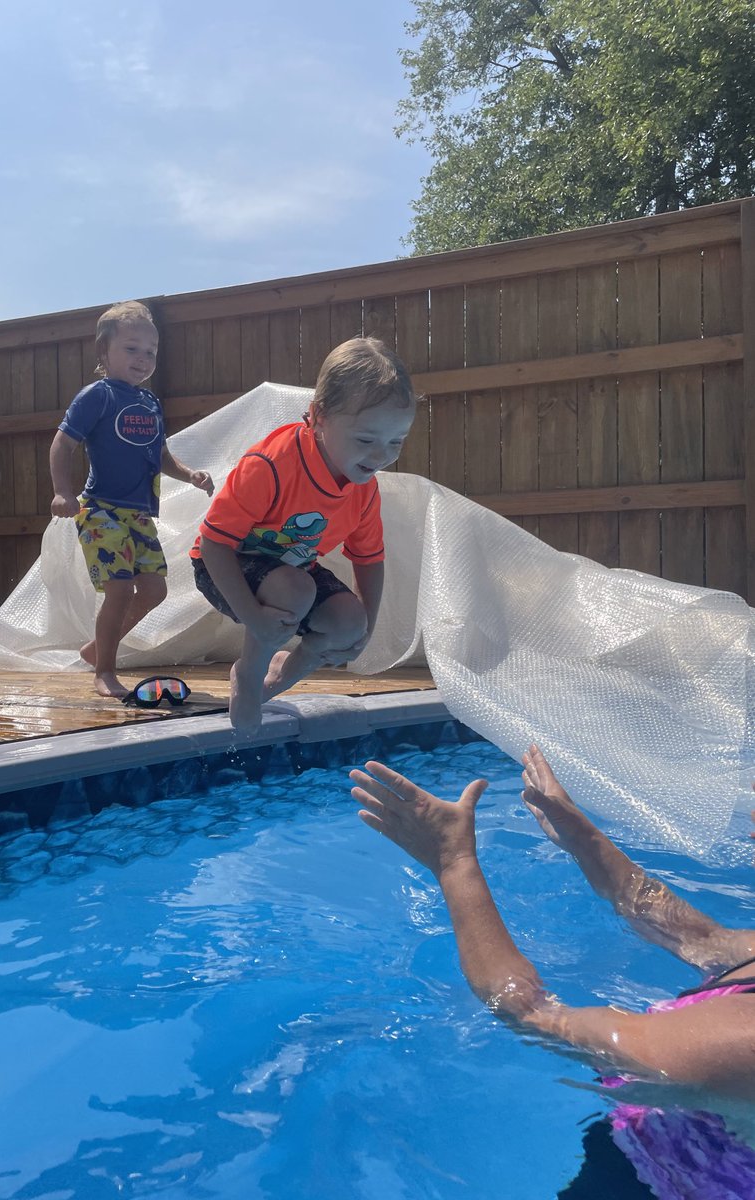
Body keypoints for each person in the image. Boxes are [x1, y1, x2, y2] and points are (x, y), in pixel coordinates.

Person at [350, 745, 755, 1198]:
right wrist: (581, 835)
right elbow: (698, 938)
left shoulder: (735, 1043)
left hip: (665, 1181)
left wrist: (453, 862)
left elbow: (527, 1010)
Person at [190, 337, 416, 732]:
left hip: (289, 572)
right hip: (222, 569)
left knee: (347, 623)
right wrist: (254, 619)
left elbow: (368, 558)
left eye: (395, 442)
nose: (380, 456)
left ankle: (281, 674)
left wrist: (366, 630)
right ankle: (249, 673)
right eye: (366, 440)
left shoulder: (362, 488)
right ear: (319, 416)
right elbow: (214, 544)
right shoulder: (272, 466)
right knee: (294, 590)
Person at [50, 301, 213, 699]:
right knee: (120, 590)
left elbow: (159, 455)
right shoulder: (97, 396)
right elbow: (62, 444)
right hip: (101, 508)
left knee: (154, 591)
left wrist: (189, 474)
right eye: (131, 348)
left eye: (150, 352)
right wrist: (62, 491)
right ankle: (104, 671)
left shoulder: (150, 403)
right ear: (103, 353)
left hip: (139, 514)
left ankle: (95, 650)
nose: (143, 358)